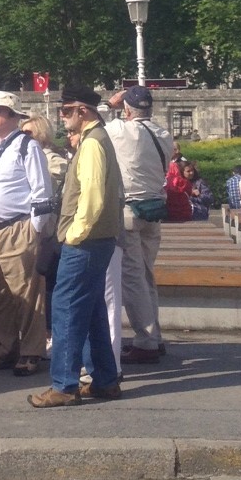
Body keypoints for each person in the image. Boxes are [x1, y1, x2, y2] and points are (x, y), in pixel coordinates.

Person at [30, 84, 123, 408]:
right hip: (96, 241)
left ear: (83, 111)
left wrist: (74, 235)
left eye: (67, 110)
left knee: (66, 310)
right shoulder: (95, 140)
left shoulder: (93, 144)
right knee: (93, 310)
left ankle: (64, 385)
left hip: (85, 242)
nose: (62, 116)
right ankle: (105, 380)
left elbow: (93, 198)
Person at [0, 92, 57, 377]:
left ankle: (31, 352)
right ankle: (4, 349)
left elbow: (42, 190)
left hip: (17, 227)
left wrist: (35, 228)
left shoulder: (27, 146)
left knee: (27, 293)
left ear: (12, 116)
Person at [105, 85, 175, 366]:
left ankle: (145, 341)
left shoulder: (121, 130)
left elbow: (91, 125)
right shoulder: (164, 135)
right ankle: (154, 336)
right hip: (153, 209)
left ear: (127, 109)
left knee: (133, 278)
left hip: (129, 211)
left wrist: (110, 104)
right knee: (146, 275)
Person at [21, 114, 69, 338]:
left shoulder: (54, 160)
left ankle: (50, 332)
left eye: (29, 132)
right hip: (28, 228)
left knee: (48, 282)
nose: (24, 137)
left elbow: (54, 187)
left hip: (50, 231)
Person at [164, 155, 193, 222]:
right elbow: (189, 193)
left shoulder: (165, 183)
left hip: (169, 213)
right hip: (184, 214)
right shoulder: (185, 182)